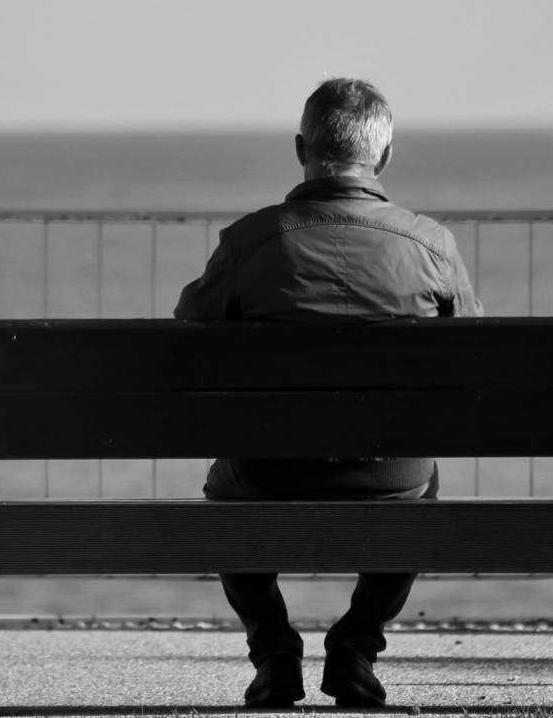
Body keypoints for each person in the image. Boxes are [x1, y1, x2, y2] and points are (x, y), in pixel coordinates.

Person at [174, 77, 482, 708]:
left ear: (300, 149)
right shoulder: (433, 247)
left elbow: (188, 329)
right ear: (385, 156)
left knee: (222, 492)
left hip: (267, 472)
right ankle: (356, 647)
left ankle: (274, 653)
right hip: (388, 476)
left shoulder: (250, 242)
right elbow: (474, 358)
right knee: (422, 485)